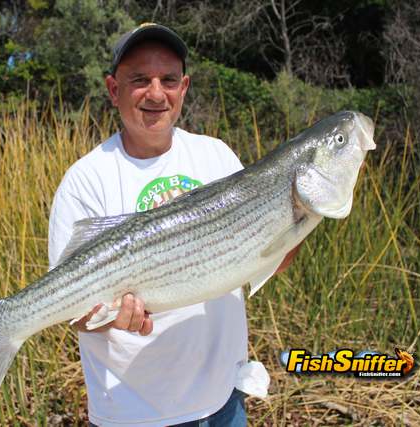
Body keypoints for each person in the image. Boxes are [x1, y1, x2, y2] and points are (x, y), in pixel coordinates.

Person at [48, 23, 299, 427]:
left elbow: (264, 259)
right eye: (139, 80)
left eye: (167, 80)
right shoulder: (85, 179)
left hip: (224, 402)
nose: (155, 93)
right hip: (131, 414)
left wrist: (299, 215)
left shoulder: (216, 155)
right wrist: (111, 315)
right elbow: (73, 311)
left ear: (183, 88)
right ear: (114, 90)